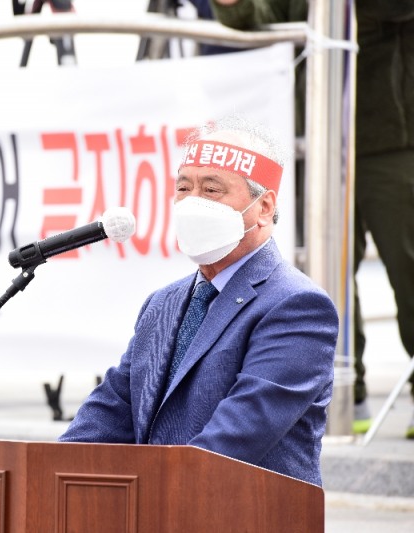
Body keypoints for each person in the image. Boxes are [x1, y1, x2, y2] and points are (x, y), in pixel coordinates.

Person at [59, 115, 339, 487]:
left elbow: (235, 438)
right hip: (159, 503)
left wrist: (147, 491)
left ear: (264, 207)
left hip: (240, 510)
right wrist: (49, 471)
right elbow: (112, 409)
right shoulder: (163, 303)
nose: (192, 202)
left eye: (211, 189)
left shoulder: (296, 306)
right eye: (183, 187)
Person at [209, 0, 414, 438]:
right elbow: (263, 16)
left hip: (396, 137)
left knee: (407, 266)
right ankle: (344, 395)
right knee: (325, 272)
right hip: (319, 137)